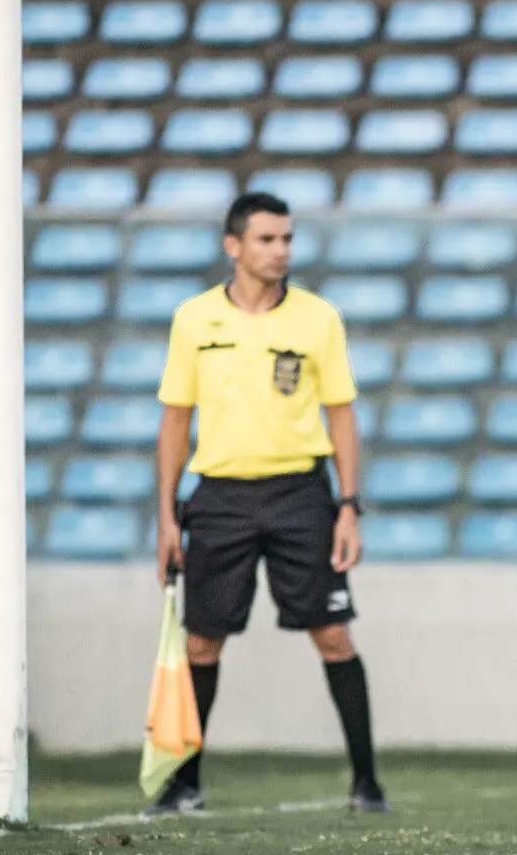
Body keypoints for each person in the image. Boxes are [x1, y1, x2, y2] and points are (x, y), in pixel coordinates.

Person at [148, 191, 385, 815]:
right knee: (202, 642)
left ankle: (366, 784)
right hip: (220, 496)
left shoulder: (317, 320)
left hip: (299, 495)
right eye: (267, 240)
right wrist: (168, 517)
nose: (281, 251)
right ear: (234, 246)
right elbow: (175, 423)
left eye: (287, 240)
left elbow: (342, 416)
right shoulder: (194, 321)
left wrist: (348, 504)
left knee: (333, 634)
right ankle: (184, 785)